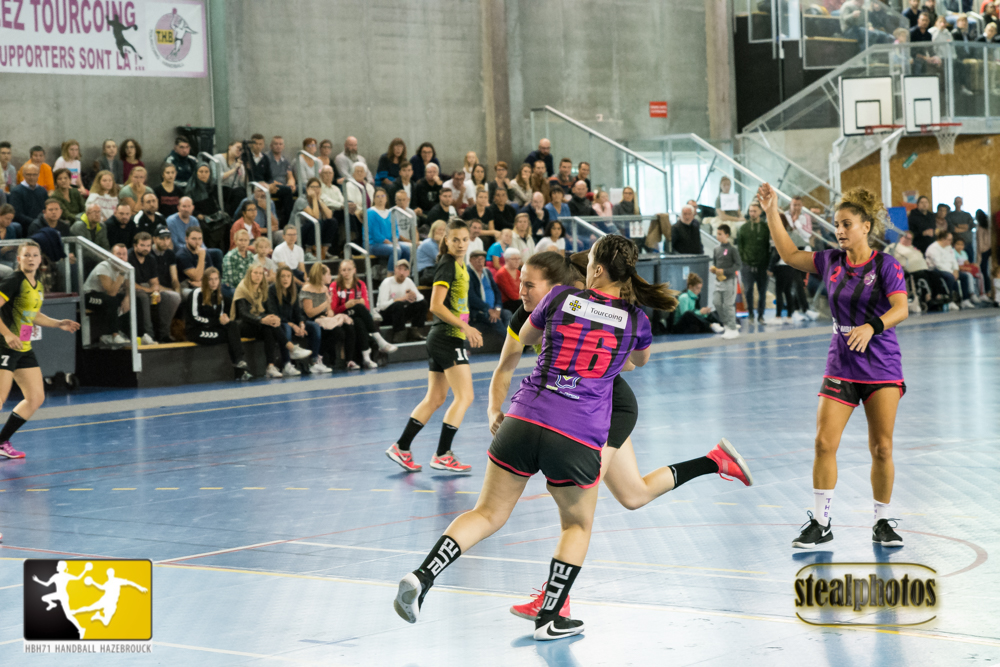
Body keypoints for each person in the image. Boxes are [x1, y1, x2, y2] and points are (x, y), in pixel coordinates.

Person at [392, 235, 674, 640]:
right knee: (576, 526)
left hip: (523, 418)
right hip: (577, 433)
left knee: (486, 514)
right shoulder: (637, 321)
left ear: (596, 269)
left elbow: (525, 337)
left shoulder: (559, 297)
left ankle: (423, 576)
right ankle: (550, 617)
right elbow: (637, 362)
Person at [496, 251, 749, 619]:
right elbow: (505, 365)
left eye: (529, 284)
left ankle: (556, 600)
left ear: (557, 285)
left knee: (578, 506)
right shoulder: (532, 311)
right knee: (634, 495)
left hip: (609, 409)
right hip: (581, 412)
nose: (522, 290)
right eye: (521, 284)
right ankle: (715, 461)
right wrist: (494, 409)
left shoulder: (574, 301)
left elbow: (629, 361)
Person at [758, 182, 909, 550]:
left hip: (881, 366)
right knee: (824, 443)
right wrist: (771, 212)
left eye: (846, 224)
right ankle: (822, 523)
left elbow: (901, 308)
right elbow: (789, 253)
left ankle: (882, 521)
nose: (839, 231)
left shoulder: (886, 265)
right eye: (837, 225)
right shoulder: (830, 261)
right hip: (841, 364)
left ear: (865, 227)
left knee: (882, 448)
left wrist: (871, 327)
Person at [385, 219, 482, 474]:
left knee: (436, 397)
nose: (460, 244)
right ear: (446, 240)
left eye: (464, 239)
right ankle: (442, 454)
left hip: (444, 337)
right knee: (465, 396)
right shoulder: (447, 265)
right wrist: (465, 328)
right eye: (455, 240)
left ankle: (401, 447)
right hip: (447, 336)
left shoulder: (459, 264)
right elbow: (436, 306)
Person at [0, 241, 80, 459]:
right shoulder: (14, 281)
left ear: (40, 259)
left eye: (35, 255)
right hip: (4, 345)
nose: (31, 259)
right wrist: (7, 334)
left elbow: (32, 315)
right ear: (19, 259)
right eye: (27, 255)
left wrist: (58, 323)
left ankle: (2, 441)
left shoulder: (37, 285)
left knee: (35, 397)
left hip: (23, 347)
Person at [233, 264, 307, 379]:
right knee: (268, 324)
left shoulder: (263, 288)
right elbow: (243, 314)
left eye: (260, 273)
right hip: (243, 325)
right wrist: (261, 319)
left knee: (270, 326)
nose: (258, 276)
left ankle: (270, 367)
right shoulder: (242, 288)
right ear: (249, 274)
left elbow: (268, 310)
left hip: (258, 323)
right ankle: (291, 348)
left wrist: (273, 318)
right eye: (255, 273)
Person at [185, 267, 252, 380]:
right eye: (210, 279)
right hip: (197, 331)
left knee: (232, 326)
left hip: (212, 329)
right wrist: (217, 321)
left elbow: (219, 317)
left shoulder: (219, 296)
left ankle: (240, 362)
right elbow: (194, 318)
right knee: (232, 337)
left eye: (216, 279)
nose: (213, 282)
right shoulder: (196, 293)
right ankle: (239, 369)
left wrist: (224, 320)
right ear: (205, 281)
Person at [331, 258, 397, 363]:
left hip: (357, 315)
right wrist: (346, 305)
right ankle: (379, 340)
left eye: (349, 269)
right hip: (341, 316)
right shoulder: (335, 285)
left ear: (354, 270)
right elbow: (333, 310)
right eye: (344, 270)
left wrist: (361, 303)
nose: (346, 272)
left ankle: (366, 357)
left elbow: (366, 307)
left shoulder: (360, 284)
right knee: (359, 308)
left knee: (359, 321)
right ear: (340, 271)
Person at [267, 266, 330, 374]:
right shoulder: (272, 290)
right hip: (280, 323)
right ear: (278, 278)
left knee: (314, 326)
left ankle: (314, 362)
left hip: (294, 322)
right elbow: (274, 314)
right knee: (286, 328)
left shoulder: (294, 289)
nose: (286, 279)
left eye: (288, 276)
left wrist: (301, 324)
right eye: (283, 276)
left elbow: (298, 312)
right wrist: (293, 325)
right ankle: (287, 364)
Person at [299, 262, 350, 370]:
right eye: (328, 274)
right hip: (309, 319)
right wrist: (325, 304)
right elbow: (309, 312)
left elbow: (329, 310)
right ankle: (315, 360)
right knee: (324, 329)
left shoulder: (324, 288)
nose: (330, 276)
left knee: (340, 331)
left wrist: (329, 313)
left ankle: (320, 356)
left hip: (322, 318)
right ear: (321, 275)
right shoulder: (307, 288)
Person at [83, 243, 131, 346]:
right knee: (112, 300)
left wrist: (127, 298)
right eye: (118, 254)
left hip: (105, 296)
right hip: (89, 296)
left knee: (136, 300)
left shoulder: (127, 266)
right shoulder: (104, 267)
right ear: (111, 255)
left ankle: (134, 334)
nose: (121, 257)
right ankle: (113, 335)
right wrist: (122, 273)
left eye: (124, 254)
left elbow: (129, 287)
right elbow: (111, 293)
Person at [126, 232, 166, 344]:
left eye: (148, 245)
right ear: (135, 246)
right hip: (128, 289)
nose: (146, 248)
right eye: (142, 245)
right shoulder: (128, 257)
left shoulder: (151, 259)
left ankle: (164, 335)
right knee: (143, 296)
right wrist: (149, 290)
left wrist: (156, 291)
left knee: (171, 297)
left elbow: (155, 282)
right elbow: (129, 283)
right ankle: (148, 334)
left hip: (145, 288)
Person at [377, 259, 429, 343]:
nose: (402, 272)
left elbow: (420, 297)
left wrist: (414, 296)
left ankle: (414, 330)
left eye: (405, 270)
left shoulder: (408, 281)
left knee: (422, 303)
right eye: (399, 269)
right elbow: (382, 306)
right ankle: (399, 333)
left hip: (401, 312)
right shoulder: (387, 282)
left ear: (408, 272)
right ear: (395, 270)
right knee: (398, 304)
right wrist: (398, 299)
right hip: (386, 315)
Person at [736, 201, 771, 324]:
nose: (752, 213)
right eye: (750, 211)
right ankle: (750, 314)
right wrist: (744, 262)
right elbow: (740, 247)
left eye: (755, 211)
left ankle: (761, 315)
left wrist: (768, 265)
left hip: (762, 265)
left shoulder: (766, 228)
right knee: (748, 290)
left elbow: (769, 247)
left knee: (762, 292)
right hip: (747, 265)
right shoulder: (743, 229)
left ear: (760, 212)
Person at [926, 229, 975, 307]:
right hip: (938, 270)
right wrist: (951, 272)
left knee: (964, 276)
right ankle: (950, 300)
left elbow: (953, 260)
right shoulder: (933, 248)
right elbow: (937, 264)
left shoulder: (949, 247)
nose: (951, 241)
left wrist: (955, 270)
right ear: (942, 239)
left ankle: (965, 299)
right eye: (949, 240)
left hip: (950, 270)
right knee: (950, 277)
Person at [291, 177, 338, 258]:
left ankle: (324, 252)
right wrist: (314, 198)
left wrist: (319, 200)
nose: (315, 190)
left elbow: (329, 215)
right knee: (315, 222)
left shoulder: (319, 199)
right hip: (297, 231)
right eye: (312, 187)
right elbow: (315, 217)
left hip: (312, 230)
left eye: (317, 187)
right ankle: (308, 252)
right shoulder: (301, 200)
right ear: (307, 189)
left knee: (332, 222)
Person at [710, 224, 741, 339]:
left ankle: (733, 328)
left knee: (728, 305)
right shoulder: (716, 249)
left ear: (727, 235)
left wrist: (725, 271)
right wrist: (713, 269)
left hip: (729, 281)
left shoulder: (732, 249)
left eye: (720, 234)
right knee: (717, 302)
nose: (718, 236)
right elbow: (715, 263)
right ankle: (726, 325)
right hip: (718, 282)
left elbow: (738, 265)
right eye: (717, 233)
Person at [467, 249, 508, 336]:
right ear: (470, 260)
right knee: (496, 321)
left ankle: (513, 339)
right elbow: (471, 297)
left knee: (508, 314)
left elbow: (497, 291)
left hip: (493, 308)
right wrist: (488, 309)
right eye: (477, 259)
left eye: (482, 259)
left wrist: (498, 307)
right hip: (480, 310)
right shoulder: (468, 273)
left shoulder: (487, 272)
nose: (480, 262)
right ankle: (510, 342)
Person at [368, 187, 412, 265]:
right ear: (374, 199)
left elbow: (396, 230)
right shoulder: (370, 212)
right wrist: (390, 243)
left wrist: (395, 240)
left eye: (383, 196)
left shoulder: (390, 212)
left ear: (386, 199)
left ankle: (404, 270)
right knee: (396, 250)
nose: (380, 198)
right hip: (374, 244)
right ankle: (391, 271)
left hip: (390, 242)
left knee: (407, 248)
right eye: (378, 196)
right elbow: (376, 235)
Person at [175, 227, 216, 298]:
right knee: (199, 294)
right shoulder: (182, 255)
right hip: (187, 287)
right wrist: (201, 256)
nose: (197, 242)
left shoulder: (204, 252)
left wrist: (203, 283)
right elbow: (196, 277)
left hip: (204, 284)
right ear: (186, 239)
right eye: (194, 239)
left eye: (200, 239)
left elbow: (212, 274)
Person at [9, 164, 49, 228]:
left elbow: (47, 209)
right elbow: (17, 214)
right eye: (28, 174)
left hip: (42, 224)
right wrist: (36, 223)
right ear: (23, 175)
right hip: (24, 226)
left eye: (34, 174)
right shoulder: (16, 191)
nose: (31, 177)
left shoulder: (42, 191)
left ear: (38, 175)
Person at [494, 247, 523, 312]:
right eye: (514, 259)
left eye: (519, 258)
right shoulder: (501, 273)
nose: (517, 261)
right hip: (507, 304)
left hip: (518, 301)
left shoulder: (518, 272)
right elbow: (513, 296)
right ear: (506, 260)